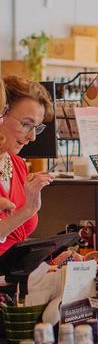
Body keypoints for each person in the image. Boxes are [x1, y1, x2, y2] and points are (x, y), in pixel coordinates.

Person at [0, 76, 57, 255]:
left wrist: (51, 259)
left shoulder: (18, 165)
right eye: (26, 124)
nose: (32, 137)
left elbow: (18, 242)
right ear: (2, 112)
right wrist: (28, 210)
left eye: (36, 127)